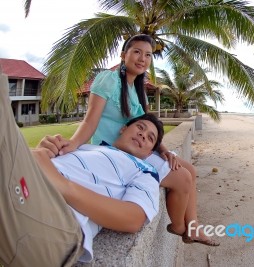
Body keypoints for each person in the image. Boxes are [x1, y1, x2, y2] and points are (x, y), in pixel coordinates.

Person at [52, 34, 218, 246]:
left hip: (138, 149)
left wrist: (163, 149)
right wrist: (73, 144)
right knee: (182, 178)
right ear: (124, 55)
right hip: (115, 151)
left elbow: (148, 125)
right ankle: (179, 227)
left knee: (190, 171)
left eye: (148, 55)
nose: (142, 58)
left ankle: (193, 227)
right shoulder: (108, 79)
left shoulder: (137, 89)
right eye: (137, 52)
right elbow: (90, 121)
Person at [0, 70, 165, 265]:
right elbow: (41, 160)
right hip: (26, 185)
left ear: (148, 153)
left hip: (54, 215)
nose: (143, 135)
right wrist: (41, 151)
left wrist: (61, 184)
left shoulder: (144, 172)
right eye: (140, 127)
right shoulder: (88, 148)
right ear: (123, 128)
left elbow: (133, 218)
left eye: (150, 138)